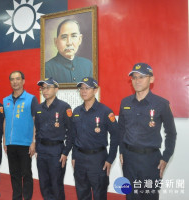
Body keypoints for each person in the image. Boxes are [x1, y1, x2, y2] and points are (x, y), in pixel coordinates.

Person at [118, 63, 177, 200]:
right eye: (134, 77)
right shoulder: (125, 103)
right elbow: (121, 129)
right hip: (129, 160)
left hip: (150, 161)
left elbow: (171, 133)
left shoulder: (161, 104)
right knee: (130, 195)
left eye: (142, 77)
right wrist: (121, 151)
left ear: (151, 79)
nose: (137, 81)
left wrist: (165, 157)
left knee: (149, 196)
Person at [71, 77, 119, 200]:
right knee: (82, 193)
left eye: (87, 88)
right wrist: (74, 156)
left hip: (98, 159)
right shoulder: (76, 111)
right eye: (81, 88)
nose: (83, 91)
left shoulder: (105, 111)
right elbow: (74, 136)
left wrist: (110, 159)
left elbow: (116, 135)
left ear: (95, 90)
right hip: (80, 159)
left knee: (99, 193)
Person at [34, 77, 73, 200]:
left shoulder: (64, 107)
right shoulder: (39, 108)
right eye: (43, 88)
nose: (45, 90)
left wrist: (65, 152)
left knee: (56, 184)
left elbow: (71, 132)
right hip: (42, 150)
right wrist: (36, 147)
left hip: (57, 151)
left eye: (48, 87)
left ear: (56, 89)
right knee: (44, 183)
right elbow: (37, 130)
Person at [3, 71, 38, 200]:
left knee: (26, 174)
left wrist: (33, 141)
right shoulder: (5, 100)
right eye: (12, 79)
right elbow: (5, 120)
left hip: (25, 143)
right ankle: (16, 197)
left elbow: (36, 120)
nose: (15, 82)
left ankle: (27, 197)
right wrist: (4, 140)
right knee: (14, 174)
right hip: (11, 143)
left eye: (18, 79)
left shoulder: (31, 99)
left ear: (23, 81)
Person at [45, 19, 93, 83]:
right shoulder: (47, 68)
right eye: (64, 37)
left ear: (80, 39)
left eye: (73, 36)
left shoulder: (88, 65)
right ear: (56, 42)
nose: (69, 43)